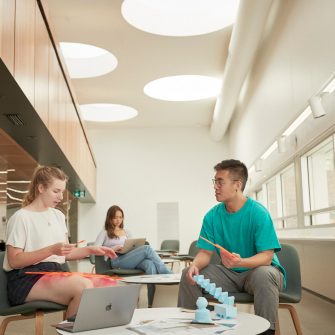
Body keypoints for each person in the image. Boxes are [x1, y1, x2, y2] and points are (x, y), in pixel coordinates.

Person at [177, 159, 286, 335]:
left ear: (237, 184)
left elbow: (266, 256)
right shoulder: (211, 217)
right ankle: (190, 328)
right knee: (189, 275)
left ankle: (267, 332)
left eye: (220, 182)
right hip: (229, 273)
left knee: (263, 275)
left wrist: (241, 261)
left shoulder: (258, 213)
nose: (215, 186)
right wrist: (195, 265)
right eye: (215, 182)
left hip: (259, 271)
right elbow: (205, 252)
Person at [3, 166, 117, 318]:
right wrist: (50, 250)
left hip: (55, 272)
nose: (60, 197)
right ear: (41, 188)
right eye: (56, 191)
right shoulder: (21, 217)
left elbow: (65, 254)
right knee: (83, 287)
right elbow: (14, 260)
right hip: (27, 278)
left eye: (62, 192)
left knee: (109, 285)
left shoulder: (58, 216)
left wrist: (92, 250)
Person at [94, 205, 172, 307]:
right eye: (115, 217)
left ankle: (151, 303)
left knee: (149, 264)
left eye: (120, 217)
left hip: (128, 258)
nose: (118, 220)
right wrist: (113, 249)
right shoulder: (105, 232)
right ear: (110, 218)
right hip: (116, 260)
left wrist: (128, 248)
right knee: (147, 249)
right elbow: (96, 250)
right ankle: (165, 272)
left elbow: (133, 245)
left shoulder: (126, 231)